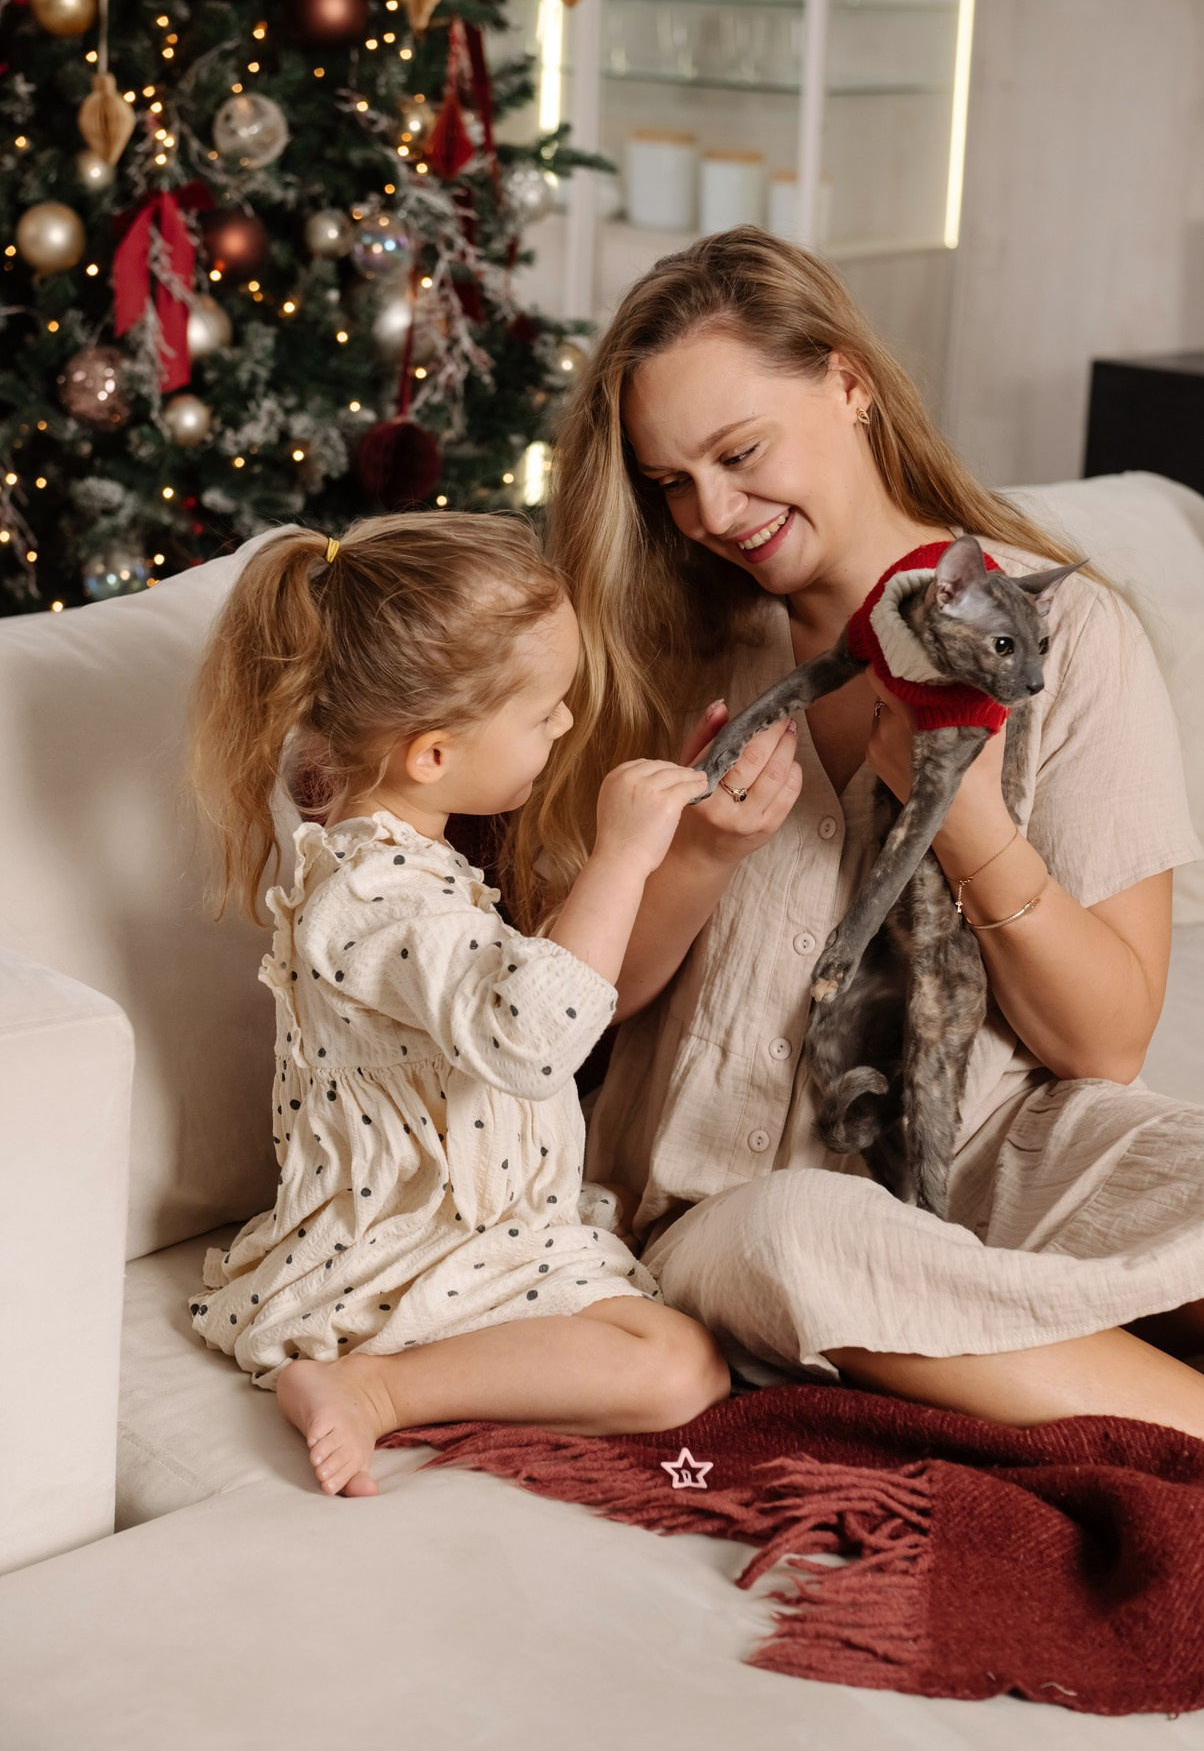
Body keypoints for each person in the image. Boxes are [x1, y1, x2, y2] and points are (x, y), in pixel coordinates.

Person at [510, 225, 1204, 1439]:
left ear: (847, 383)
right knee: (804, 1238)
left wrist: (967, 819)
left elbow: (1103, 1045)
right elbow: (562, 1005)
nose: (711, 513)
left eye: (738, 452)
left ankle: (989, 1324)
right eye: (670, 482)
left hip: (990, 1163)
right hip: (728, 1209)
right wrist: (702, 854)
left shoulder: (1073, 634)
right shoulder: (671, 652)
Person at [187, 512, 729, 1498]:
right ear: (430, 756)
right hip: (408, 1250)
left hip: (485, 1224)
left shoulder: (399, 856)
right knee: (676, 1365)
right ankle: (373, 1388)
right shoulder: (371, 898)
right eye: (544, 712)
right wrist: (622, 855)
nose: (564, 725)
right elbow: (531, 1035)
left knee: (674, 1333)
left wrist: (671, 819)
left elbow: (524, 978)